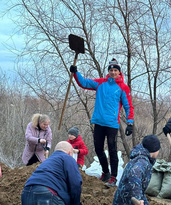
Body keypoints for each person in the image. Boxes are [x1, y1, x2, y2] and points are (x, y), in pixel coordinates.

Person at [70, 58, 134, 186]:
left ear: (119, 72)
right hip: (99, 122)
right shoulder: (100, 83)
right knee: (98, 149)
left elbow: (128, 106)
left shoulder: (123, 87)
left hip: (112, 124)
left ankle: (114, 177)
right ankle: (106, 173)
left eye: (116, 70)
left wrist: (130, 122)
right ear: (108, 71)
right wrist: (76, 72)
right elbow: (84, 83)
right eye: (111, 70)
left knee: (112, 150)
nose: (113, 72)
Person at [21, 141, 82, 205]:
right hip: (47, 194)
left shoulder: (47, 161)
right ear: (70, 152)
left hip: (26, 193)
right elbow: (75, 183)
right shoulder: (67, 157)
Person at [112, 134, 161, 205]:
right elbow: (134, 173)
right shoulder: (142, 161)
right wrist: (138, 197)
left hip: (128, 197)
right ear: (155, 150)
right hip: (125, 201)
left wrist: (141, 198)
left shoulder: (141, 158)